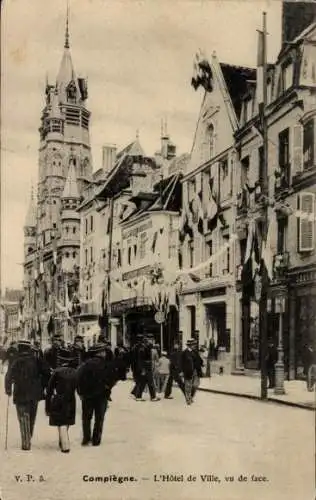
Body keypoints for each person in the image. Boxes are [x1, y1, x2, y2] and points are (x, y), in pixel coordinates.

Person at [5, 340, 51, 450]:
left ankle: (26, 441)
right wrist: (43, 386)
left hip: (20, 393)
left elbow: (8, 376)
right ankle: (28, 437)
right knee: (32, 416)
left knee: (23, 417)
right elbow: (47, 373)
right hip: (34, 394)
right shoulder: (36, 360)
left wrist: (8, 390)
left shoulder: (16, 361)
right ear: (29, 349)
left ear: (19, 348)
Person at [76, 343, 126, 446]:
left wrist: (80, 392)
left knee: (86, 418)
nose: (104, 353)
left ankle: (86, 438)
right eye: (103, 351)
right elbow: (114, 378)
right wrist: (108, 387)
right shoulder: (107, 364)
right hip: (102, 395)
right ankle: (96, 440)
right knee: (99, 418)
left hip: (87, 395)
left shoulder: (85, 364)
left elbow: (78, 378)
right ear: (100, 353)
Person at [45, 348, 77, 453]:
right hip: (71, 399)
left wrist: (47, 406)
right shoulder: (75, 372)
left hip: (58, 398)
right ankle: (63, 440)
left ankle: (64, 444)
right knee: (66, 420)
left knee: (61, 421)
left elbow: (49, 389)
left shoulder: (56, 372)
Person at [181, 338, 199, 405]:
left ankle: (191, 396)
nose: (195, 346)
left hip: (195, 371)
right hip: (187, 372)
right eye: (193, 344)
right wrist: (182, 371)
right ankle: (188, 399)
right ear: (190, 345)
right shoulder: (184, 353)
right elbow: (181, 363)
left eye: (194, 344)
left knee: (195, 385)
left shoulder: (195, 352)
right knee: (188, 386)